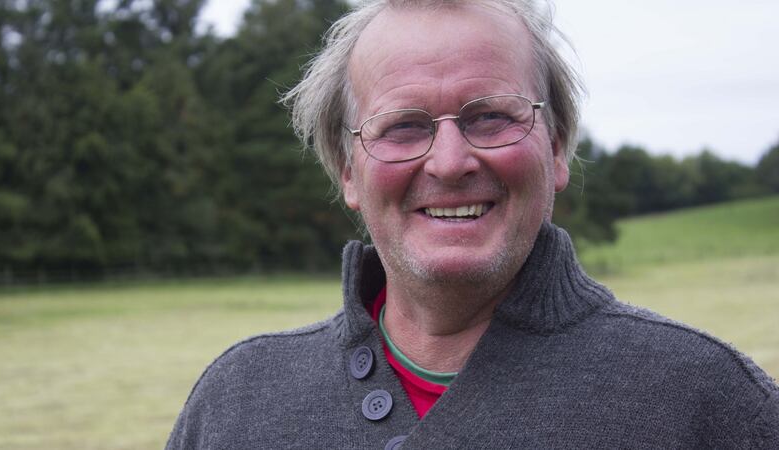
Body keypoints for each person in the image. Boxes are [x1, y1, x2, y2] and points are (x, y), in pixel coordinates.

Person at [166, 1, 779, 448]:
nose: (450, 162)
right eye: (403, 126)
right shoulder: (236, 402)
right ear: (348, 170)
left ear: (556, 149)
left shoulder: (705, 400)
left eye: (490, 117)